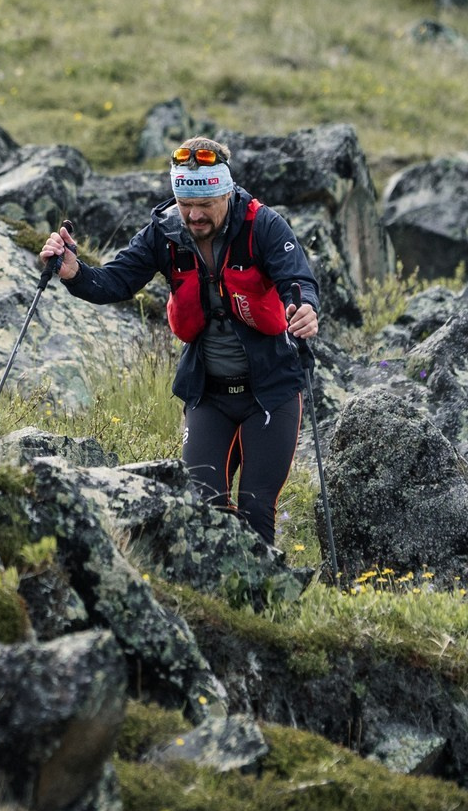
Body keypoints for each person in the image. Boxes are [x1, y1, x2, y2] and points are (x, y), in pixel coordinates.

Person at [38, 137, 319, 546]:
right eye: (185, 201)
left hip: (271, 392)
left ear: (227, 191)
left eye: (205, 203)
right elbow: (115, 280)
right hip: (208, 394)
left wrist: (304, 307)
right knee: (203, 511)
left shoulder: (264, 226)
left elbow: (298, 279)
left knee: (256, 514)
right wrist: (73, 272)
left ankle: (262, 607)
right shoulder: (165, 231)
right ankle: (215, 606)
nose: (194, 214)